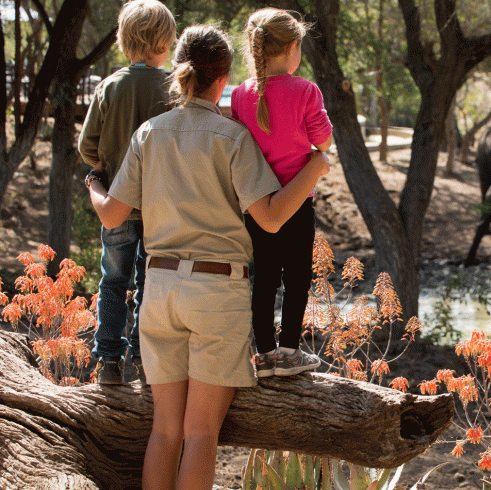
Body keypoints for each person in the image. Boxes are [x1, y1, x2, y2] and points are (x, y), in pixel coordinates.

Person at [86, 25, 330, 489]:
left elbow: (113, 217)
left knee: (165, 431)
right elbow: (273, 217)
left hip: (158, 291)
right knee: (201, 435)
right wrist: (316, 165)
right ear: (224, 78)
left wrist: (94, 185)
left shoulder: (148, 134)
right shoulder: (231, 137)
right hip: (217, 292)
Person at [231, 7, 333, 377]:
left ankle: (264, 354)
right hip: (296, 201)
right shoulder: (305, 90)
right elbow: (323, 139)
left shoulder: (242, 94)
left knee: (265, 276)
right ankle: (290, 351)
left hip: (257, 203)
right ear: (293, 47)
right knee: (298, 277)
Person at [77, 0, 175, 385]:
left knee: (113, 281)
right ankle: (143, 360)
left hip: (117, 201)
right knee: (151, 283)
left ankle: (109, 364)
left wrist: (104, 166)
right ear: (166, 43)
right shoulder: (171, 87)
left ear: (123, 40)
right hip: (159, 208)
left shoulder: (110, 86)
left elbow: (88, 146)